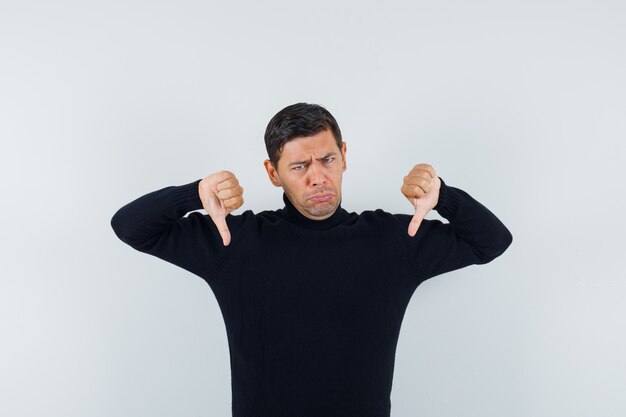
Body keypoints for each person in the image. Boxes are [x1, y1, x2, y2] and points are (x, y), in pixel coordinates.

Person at [110, 102, 513, 417]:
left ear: (344, 155)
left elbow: (492, 241)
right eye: (299, 166)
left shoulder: (393, 240)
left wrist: (444, 196)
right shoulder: (234, 241)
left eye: (328, 160)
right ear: (273, 173)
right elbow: (130, 226)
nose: (317, 177)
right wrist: (194, 194)